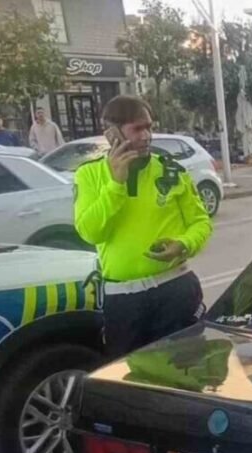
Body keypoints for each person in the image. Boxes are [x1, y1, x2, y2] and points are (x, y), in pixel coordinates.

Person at [74, 95, 213, 359]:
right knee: (130, 383)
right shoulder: (89, 175)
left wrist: (183, 244)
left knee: (187, 374)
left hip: (176, 291)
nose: (147, 135)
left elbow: (200, 222)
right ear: (112, 134)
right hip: (124, 300)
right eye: (137, 129)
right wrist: (116, 185)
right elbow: (91, 232)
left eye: (149, 127)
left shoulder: (171, 171)